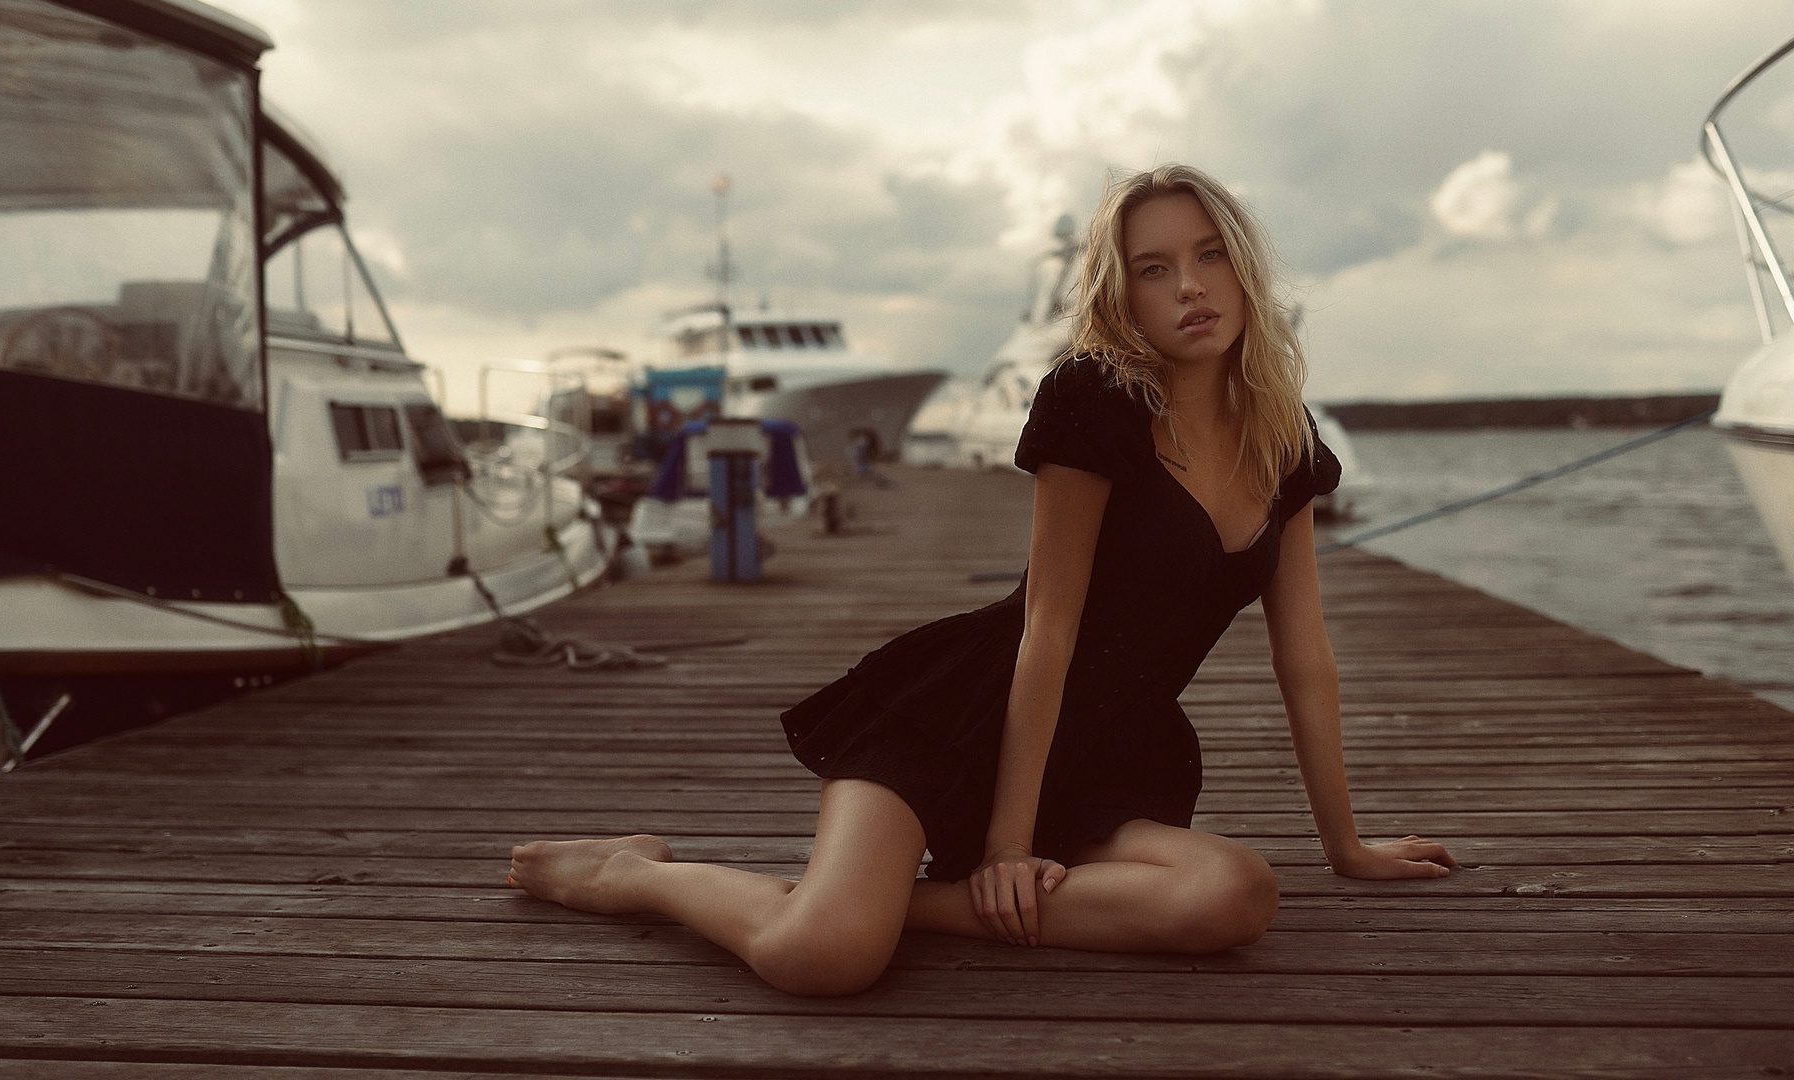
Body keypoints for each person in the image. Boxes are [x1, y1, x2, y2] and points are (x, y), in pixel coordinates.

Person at [508, 163, 1457, 997]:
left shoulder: (1284, 441)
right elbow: (1048, 622)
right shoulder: (1094, 400)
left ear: (1245, 270)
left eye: (1210, 257)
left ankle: (906, 905)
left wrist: (1347, 845)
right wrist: (1006, 847)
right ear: (1122, 296)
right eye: (1153, 269)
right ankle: (635, 876)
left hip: (1116, 758)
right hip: (965, 715)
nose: (1190, 288)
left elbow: (1305, 657)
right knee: (824, 958)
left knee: (1233, 895)